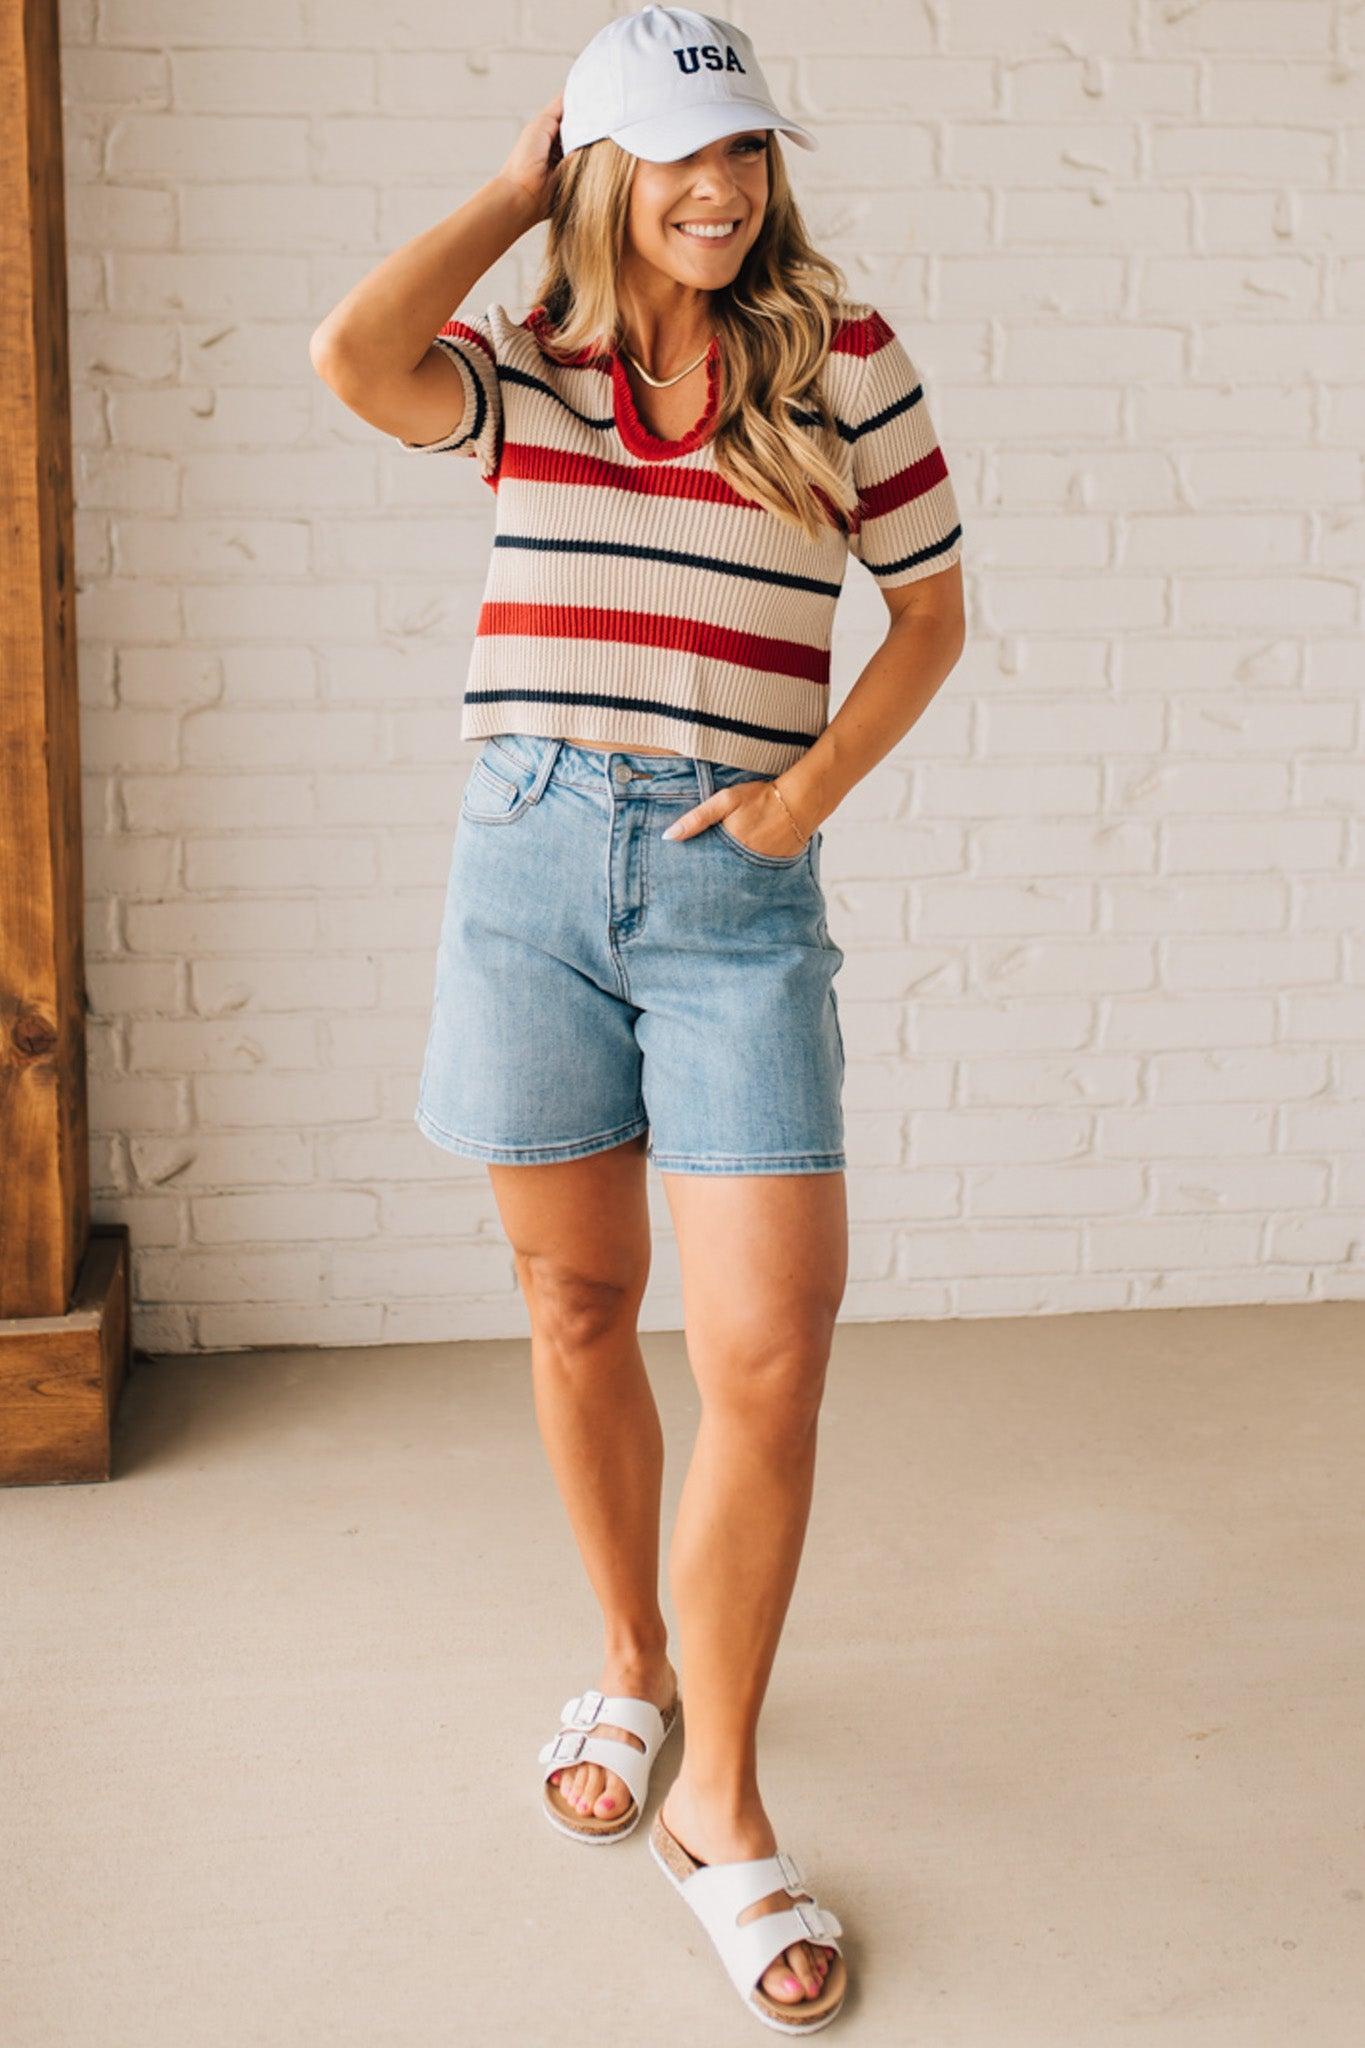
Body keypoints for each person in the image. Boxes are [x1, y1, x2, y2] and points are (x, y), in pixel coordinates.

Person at [310, 6, 964, 2030]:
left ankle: (723, 1804)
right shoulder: (528, 364)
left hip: (726, 893)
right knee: (578, 1305)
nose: (720, 188)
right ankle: (629, 1657)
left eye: (743, 150)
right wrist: (509, 191)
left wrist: (798, 798)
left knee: (766, 1344)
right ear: (598, 165)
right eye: (678, 154)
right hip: (523, 869)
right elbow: (349, 360)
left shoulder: (837, 357)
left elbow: (925, 607)